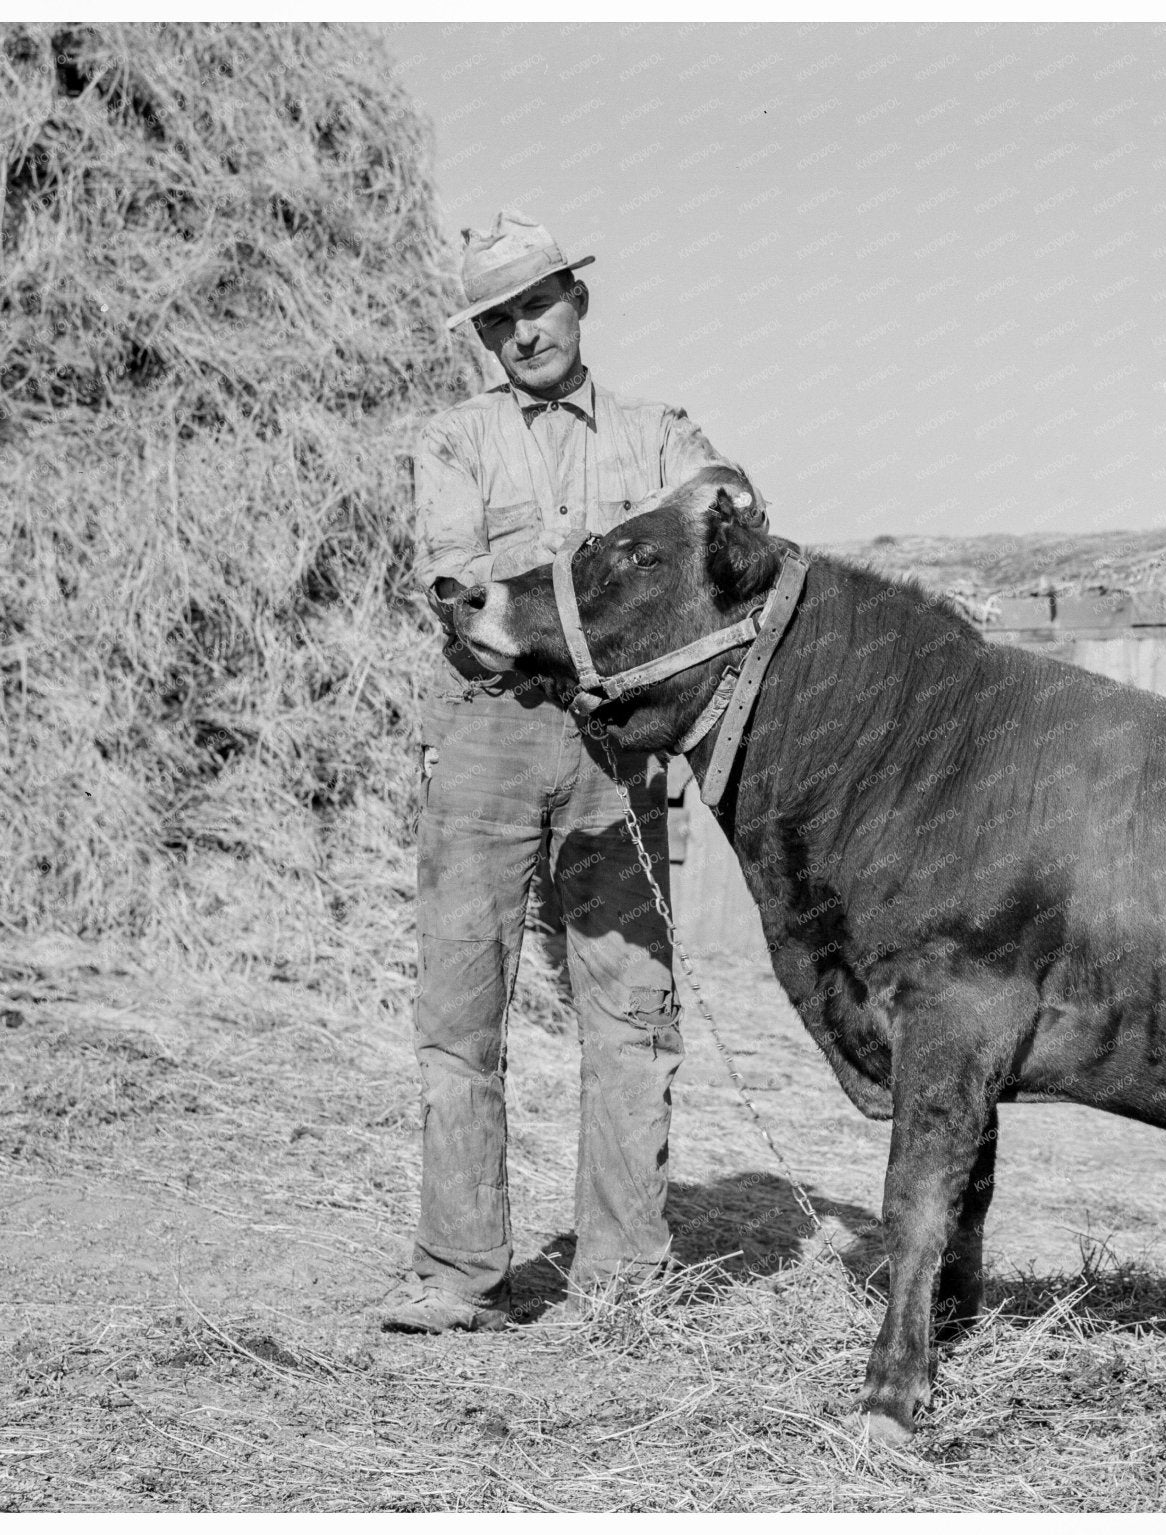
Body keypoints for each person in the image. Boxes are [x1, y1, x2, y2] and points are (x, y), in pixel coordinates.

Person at [380, 210, 762, 1332]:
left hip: (617, 751)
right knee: (461, 1016)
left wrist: (706, 512)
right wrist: (615, 583)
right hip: (489, 741)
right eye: (497, 318)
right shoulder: (453, 442)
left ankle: (622, 1281)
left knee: (630, 1012)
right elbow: (465, 601)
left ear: (578, 301)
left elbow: (724, 513)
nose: (522, 330)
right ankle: (461, 1275)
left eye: (537, 303)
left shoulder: (657, 431)